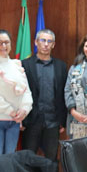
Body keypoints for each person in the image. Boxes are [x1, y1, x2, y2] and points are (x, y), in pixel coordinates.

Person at [21, 29, 68, 161]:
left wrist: (62, 120)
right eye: (43, 40)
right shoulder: (25, 65)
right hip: (31, 121)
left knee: (51, 160)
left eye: (49, 41)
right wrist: (21, 119)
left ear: (53, 44)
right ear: (36, 42)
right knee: (27, 159)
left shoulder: (61, 66)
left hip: (53, 121)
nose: (46, 44)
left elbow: (63, 94)